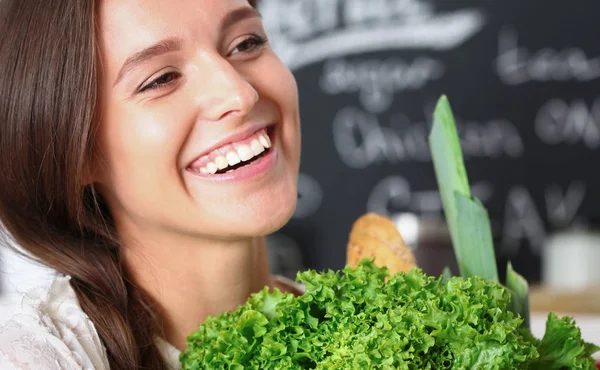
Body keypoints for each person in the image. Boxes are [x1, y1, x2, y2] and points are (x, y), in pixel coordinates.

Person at [0, 0, 302, 368]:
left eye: (246, 43)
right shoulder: (42, 357)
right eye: (161, 79)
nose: (240, 95)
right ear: (78, 154)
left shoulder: (370, 322)